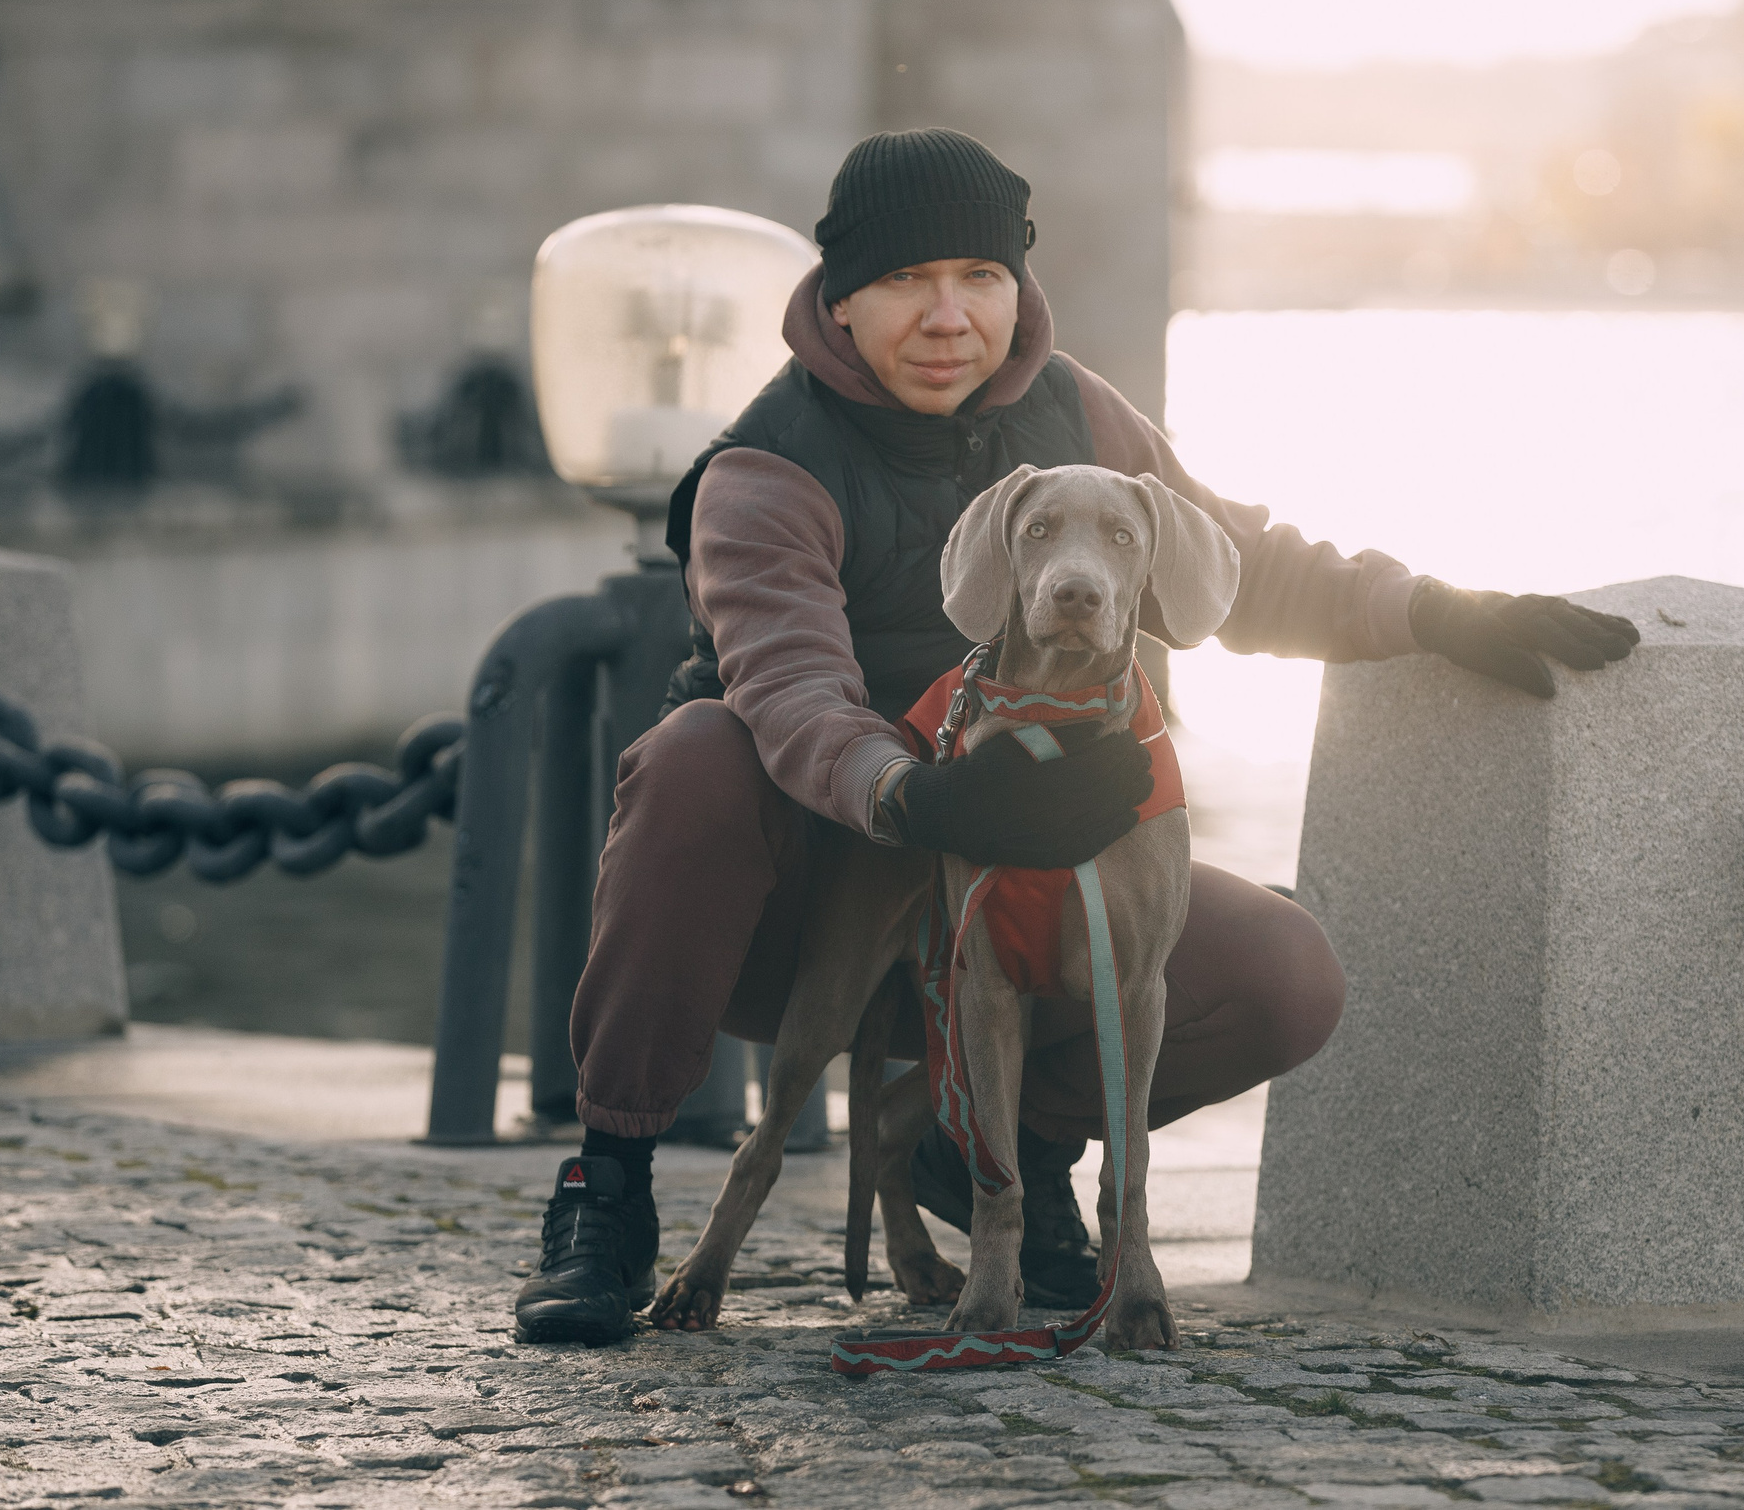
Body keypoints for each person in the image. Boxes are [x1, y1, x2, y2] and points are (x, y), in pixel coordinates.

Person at [514, 129, 1639, 1343]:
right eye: (905, 281)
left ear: (1017, 287)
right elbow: (790, 695)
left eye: (980, 279)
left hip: (1012, 907)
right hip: (802, 917)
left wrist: (1438, 611)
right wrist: (926, 798)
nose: (948, 316)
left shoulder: (1075, 412)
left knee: (1283, 974)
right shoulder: (766, 467)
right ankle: (608, 1192)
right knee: (694, 753)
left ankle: (995, 1148)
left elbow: (1235, 564)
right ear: (840, 299)